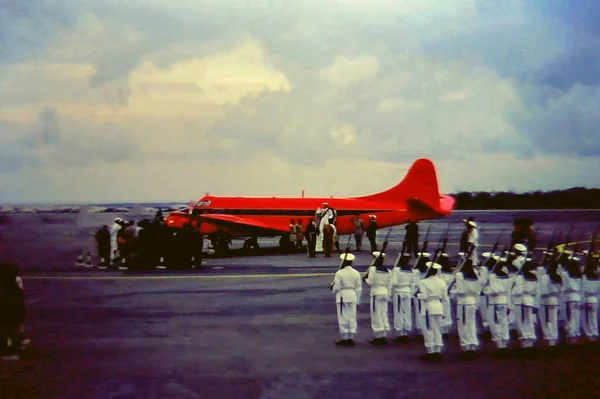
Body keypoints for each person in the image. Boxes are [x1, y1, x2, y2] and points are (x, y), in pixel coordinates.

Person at [449, 257, 482, 359]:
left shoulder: (460, 275)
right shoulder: (476, 275)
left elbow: (461, 290)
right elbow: (477, 291)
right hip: (472, 301)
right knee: (471, 324)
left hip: (463, 302)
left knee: (463, 325)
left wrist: (451, 291)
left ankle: (466, 346)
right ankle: (472, 345)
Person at [417, 262, 448, 361]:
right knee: (437, 329)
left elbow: (423, 296)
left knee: (429, 329)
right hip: (439, 305)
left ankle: (431, 351)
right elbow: (444, 297)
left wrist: (417, 295)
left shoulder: (423, 282)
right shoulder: (442, 282)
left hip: (428, 306)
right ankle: (437, 350)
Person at [331, 253, 363, 346]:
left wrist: (333, 289)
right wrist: (358, 300)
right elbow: (359, 287)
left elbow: (337, 287)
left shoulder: (339, 273)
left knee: (343, 316)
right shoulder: (356, 273)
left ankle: (345, 336)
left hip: (342, 295)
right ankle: (352, 336)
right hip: (352, 295)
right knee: (352, 316)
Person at [389, 252, 420, 342]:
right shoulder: (412, 271)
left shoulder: (397, 270)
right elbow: (414, 283)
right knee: (407, 312)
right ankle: (406, 331)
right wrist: (411, 292)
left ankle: (400, 333)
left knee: (399, 312)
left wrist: (390, 294)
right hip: (408, 291)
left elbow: (394, 283)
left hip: (399, 291)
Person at [483, 258, 511, 354]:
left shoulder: (492, 276)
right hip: (504, 301)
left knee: (495, 323)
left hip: (495, 302)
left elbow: (493, 290)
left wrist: (486, 290)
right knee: (503, 322)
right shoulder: (507, 277)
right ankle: (504, 343)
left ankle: (499, 345)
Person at [364, 252, 391, 345]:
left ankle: (379, 335)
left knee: (376, 313)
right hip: (385, 291)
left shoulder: (373, 269)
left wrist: (365, 279)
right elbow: (389, 283)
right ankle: (384, 332)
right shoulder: (387, 270)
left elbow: (371, 281)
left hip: (376, 292)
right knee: (383, 313)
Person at [538, 261, 562, 348]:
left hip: (546, 301)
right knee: (553, 320)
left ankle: (549, 339)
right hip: (555, 300)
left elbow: (543, 291)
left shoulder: (545, 277)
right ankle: (554, 338)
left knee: (546, 321)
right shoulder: (558, 277)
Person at [562, 256, 583, 344]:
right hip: (577, 296)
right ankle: (576, 332)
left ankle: (571, 332)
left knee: (570, 317)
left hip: (569, 297)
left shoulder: (565, 274)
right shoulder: (579, 274)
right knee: (576, 316)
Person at [582, 259, 600, 342]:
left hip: (587, 298)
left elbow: (583, 289)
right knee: (594, 317)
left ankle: (588, 333)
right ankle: (595, 332)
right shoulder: (597, 278)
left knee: (586, 318)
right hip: (595, 299)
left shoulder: (585, 277)